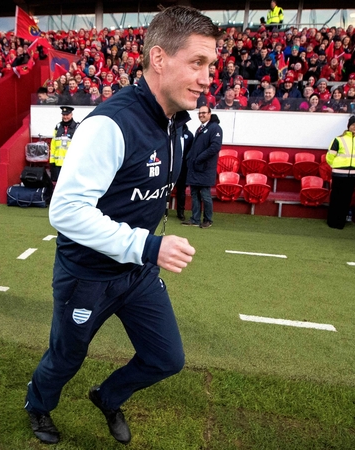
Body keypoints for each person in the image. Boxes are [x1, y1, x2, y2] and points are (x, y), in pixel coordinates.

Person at [24, 6, 217, 445]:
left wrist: (143, 253)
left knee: (166, 357)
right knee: (67, 356)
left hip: (136, 273)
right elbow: (66, 211)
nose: (207, 77)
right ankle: (38, 405)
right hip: (87, 274)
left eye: (211, 66)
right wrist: (149, 246)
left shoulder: (176, 126)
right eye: (198, 62)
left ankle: (107, 396)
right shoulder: (110, 123)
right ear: (159, 58)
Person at [326, 115, 355, 229]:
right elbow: (330, 155)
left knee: (347, 197)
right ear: (349, 126)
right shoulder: (339, 139)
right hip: (339, 171)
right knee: (336, 196)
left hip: (353, 173)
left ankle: (340, 222)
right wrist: (334, 165)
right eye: (353, 125)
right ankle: (332, 221)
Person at [184, 106, 222, 228]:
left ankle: (208, 219)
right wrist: (190, 158)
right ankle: (195, 219)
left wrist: (199, 158)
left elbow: (215, 147)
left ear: (210, 114)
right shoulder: (200, 128)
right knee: (194, 194)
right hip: (195, 167)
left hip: (205, 168)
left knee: (205, 195)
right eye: (199, 113)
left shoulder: (215, 128)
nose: (201, 115)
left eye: (204, 113)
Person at [49, 106, 78, 183]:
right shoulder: (58, 126)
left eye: (67, 115)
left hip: (71, 164)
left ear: (71, 115)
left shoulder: (77, 127)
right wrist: (52, 162)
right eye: (63, 115)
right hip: (57, 164)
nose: (65, 117)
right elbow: (53, 145)